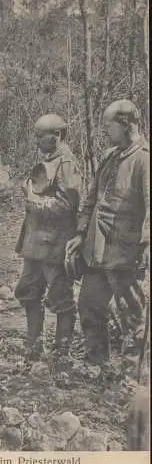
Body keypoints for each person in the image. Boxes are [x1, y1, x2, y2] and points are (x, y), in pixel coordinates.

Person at [66, 99, 150, 373]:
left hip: (126, 254)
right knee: (89, 306)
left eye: (108, 125)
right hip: (96, 251)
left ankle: (132, 374)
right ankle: (97, 364)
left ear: (126, 124)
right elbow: (91, 200)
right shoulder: (109, 156)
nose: (104, 130)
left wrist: (146, 245)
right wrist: (80, 233)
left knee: (133, 315)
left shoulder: (144, 159)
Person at [14, 114, 81, 365]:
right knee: (29, 291)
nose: (36, 140)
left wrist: (35, 201)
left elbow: (68, 205)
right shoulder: (48, 160)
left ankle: (61, 353)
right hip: (35, 244)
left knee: (61, 297)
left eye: (40, 135)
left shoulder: (66, 163)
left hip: (54, 244)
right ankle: (33, 346)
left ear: (57, 136)